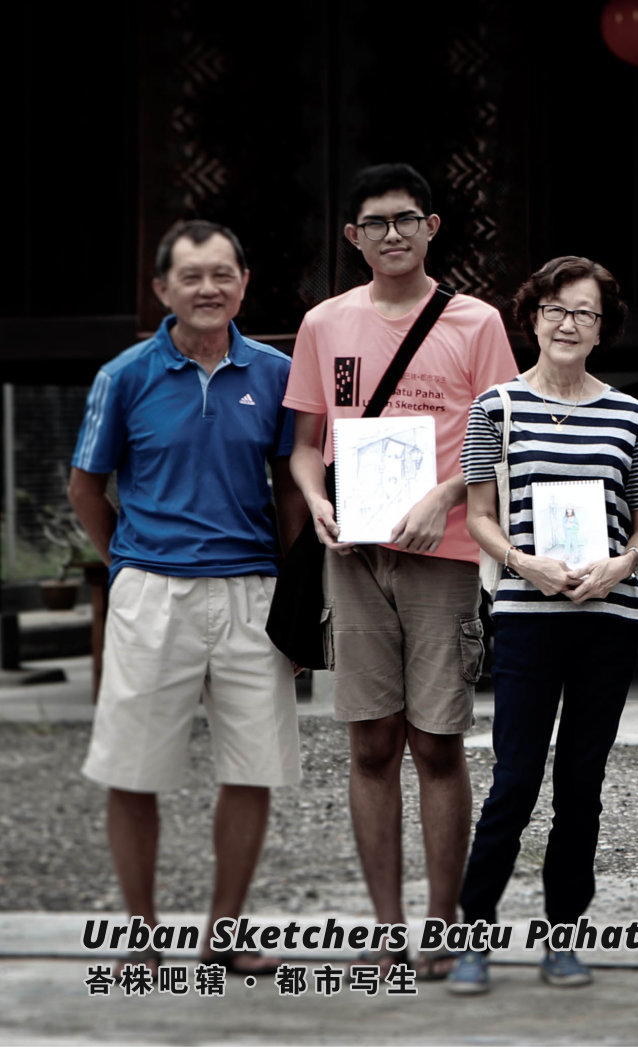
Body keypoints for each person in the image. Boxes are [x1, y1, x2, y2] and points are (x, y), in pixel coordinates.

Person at [284, 163, 517, 978]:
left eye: (406, 219)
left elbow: (503, 437)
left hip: (443, 552)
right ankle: (387, 924)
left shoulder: (476, 322)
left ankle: (442, 921)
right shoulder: (324, 324)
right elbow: (308, 444)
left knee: (438, 741)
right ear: (353, 237)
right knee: (371, 741)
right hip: (354, 552)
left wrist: (447, 495)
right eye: (375, 222)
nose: (392, 234)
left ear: (432, 227)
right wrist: (316, 501)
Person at [70, 219, 305, 975]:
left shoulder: (275, 373)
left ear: (243, 283)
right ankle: (140, 934)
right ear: (162, 288)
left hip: (251, 592)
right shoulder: (126, 375)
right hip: (152, 591)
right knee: (134, 767)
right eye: (192, 276)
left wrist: (293, 587)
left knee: (252, 763)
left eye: (223, 275)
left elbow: (289, 489)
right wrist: (129, 563)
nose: (209, 289)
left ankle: (224, 932)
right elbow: (85, 486)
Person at [448, 256, 638, 993]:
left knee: (582, 781)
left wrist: (619, 568)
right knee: (513, 777)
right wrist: (525, 565)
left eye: (586, 313)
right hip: (528, 613)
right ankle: (472, 929)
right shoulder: (495, 408)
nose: (570, 324)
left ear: (604, 329)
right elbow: (478, 514)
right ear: (533, 316)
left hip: (608, 616)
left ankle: (562, 934)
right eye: (557, 309)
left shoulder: (633, 415)